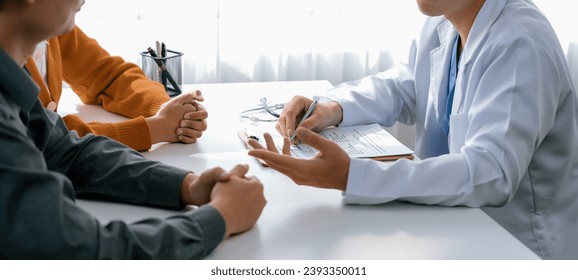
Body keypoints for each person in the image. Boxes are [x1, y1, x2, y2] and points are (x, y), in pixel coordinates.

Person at [248, 0, 578, 259]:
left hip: (519, 249)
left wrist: (352, 176)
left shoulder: (520, 43)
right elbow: (404, 86)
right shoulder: (443, 24)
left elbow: (490, 172)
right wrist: (332, 108)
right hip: (454, 230)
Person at [0, 0, 265, 259]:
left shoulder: (14, 73)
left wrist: (188, 186)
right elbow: (89, 252)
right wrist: (222, 217)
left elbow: (65, 150)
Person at [26, 24, 208, 151]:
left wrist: (167, 109)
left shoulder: (54, 26)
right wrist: (154, 130)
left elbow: (109, 75)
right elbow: (46, 140)